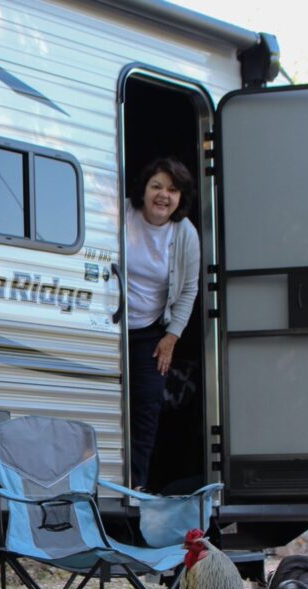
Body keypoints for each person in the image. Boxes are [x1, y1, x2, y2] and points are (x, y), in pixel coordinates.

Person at [125, 157, 200, 490]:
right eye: (156, 186)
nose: (163, 196)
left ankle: (137, 484)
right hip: (105, 323)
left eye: (172, 190)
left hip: (148, 331)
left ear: (180, 198)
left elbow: (188, 289)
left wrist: (171, 336)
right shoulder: (122, 214)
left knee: (148, 404)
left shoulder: (185, 234)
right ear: (143, 189)